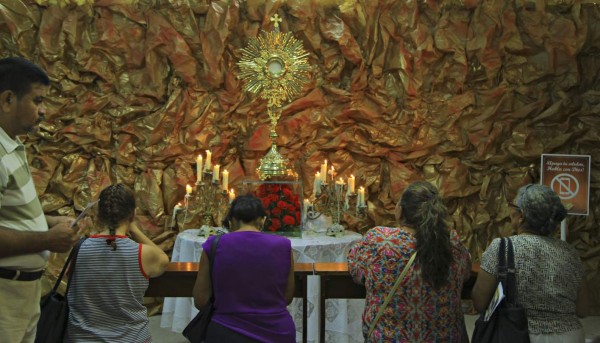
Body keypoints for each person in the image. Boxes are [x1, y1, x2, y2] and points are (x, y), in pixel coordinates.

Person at [0, 57, 80, 343]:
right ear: (8, 99)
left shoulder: (11, 144)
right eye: (37, 101)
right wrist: (47, 239)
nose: (44, 111)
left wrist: (46, 221)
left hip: (22, 291)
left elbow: (8, 215)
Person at [348, 181, 471, 342]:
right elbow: (466, 272)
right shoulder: (452, 243)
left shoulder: (379, 240)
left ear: (400, 210)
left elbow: (355, 267)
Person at [471, 184, 588, 343]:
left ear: (522, 216)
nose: (509, 210)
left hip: (517, 334)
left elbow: (480, 303)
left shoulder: (501, 248)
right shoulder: (571, 254)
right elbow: (583, 309)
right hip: (569, 336)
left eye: (513, 206)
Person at [64, 183, 169, 342]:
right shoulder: (142, 254)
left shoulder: (80, 249)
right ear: (132, 215)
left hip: (83, 338)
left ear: (99, 215)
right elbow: (163, 259)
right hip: (131, 338)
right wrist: (134, 229)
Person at [192, 194, 295, 343]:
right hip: (277, 332)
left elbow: (200, 301)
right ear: (262, 220)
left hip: (225, 331)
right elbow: (287, 297)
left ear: (231, 220)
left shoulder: (214, 245)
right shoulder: (283, 245)